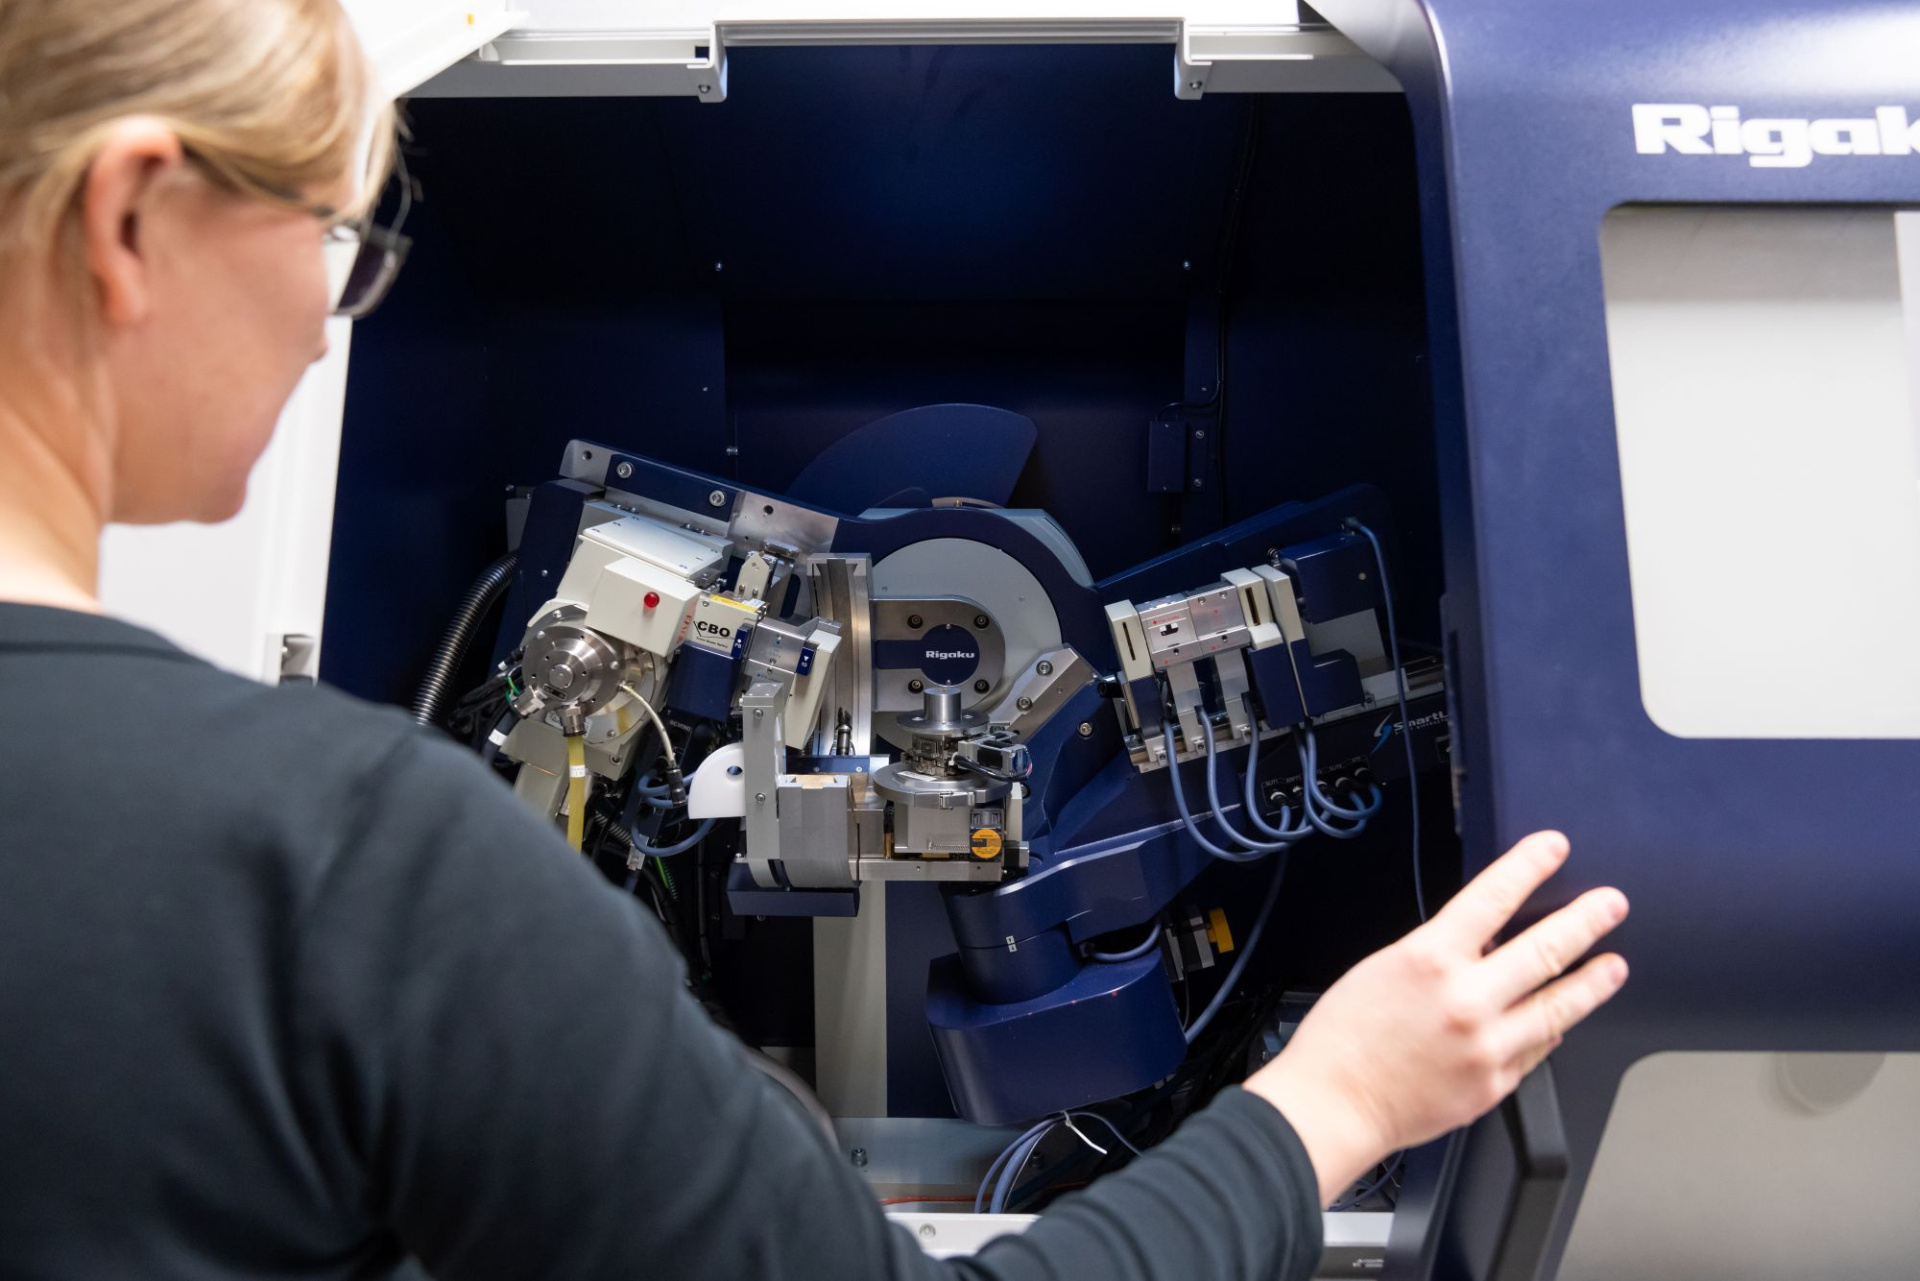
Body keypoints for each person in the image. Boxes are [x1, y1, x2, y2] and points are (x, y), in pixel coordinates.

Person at [0, 2, 1631, 1278]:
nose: (330, 311)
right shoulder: (344, 864)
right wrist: (1339, 1097)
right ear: (134, 214)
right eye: (332, 234)